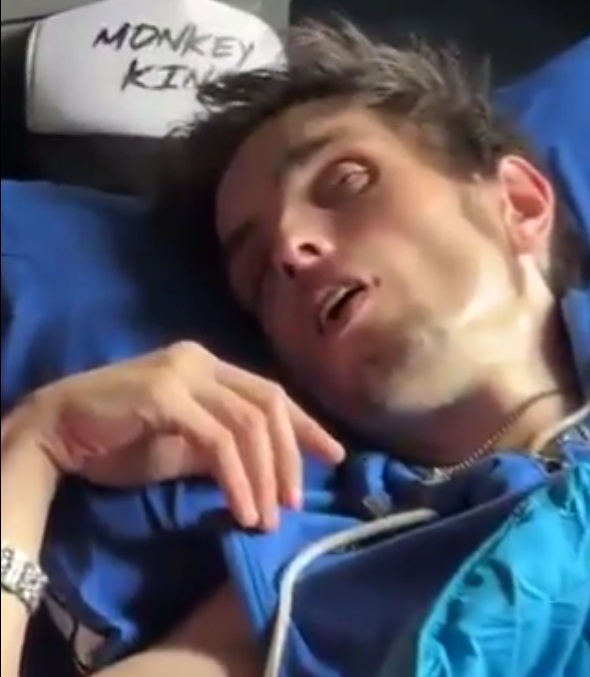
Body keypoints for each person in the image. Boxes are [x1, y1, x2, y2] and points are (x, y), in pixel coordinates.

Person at [2, 18, 589, 677]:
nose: (288, 246)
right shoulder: (313, 589)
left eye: (346, 182)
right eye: (257, 273)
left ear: (519, 202)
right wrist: (37, 445)